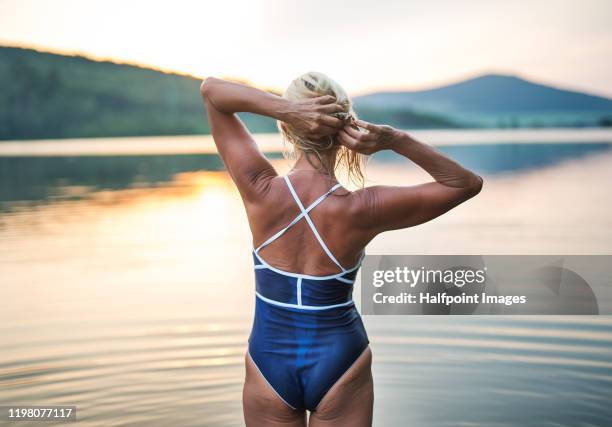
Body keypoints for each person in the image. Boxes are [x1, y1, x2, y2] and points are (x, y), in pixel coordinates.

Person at [199, 71, 483, 427]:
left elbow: (212, 92)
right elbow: (465, 184)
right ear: (345, 132)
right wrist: (396, 139)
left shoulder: (259, 189)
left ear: (287, 129)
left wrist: (286, 109)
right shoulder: (363, 208)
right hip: (340, 359)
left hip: (268, 357)